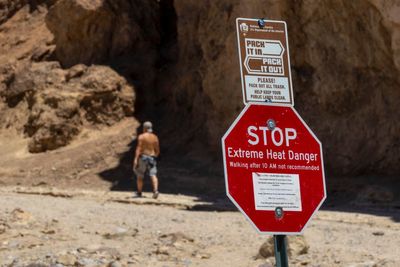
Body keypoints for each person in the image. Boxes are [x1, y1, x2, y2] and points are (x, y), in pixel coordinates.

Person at [133, 121, 160, 199]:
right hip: (152, 157)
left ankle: (139, 192)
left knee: (140, 175)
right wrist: (155, 156)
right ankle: (155, 191)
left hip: (143, 158)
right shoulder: (155, 137)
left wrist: (135, 159)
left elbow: (138, 149)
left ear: (144, 128)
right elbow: (157, 150)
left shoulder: (141, 137)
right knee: (153, 174)